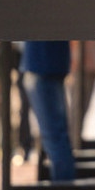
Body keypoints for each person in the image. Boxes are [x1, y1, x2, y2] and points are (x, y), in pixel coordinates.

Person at [21, 41, 75, 181]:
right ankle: (63, 186)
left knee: (54, 136)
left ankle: (63, 189)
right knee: (57, 135)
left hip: (42, 65)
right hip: (51, 63)